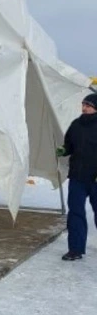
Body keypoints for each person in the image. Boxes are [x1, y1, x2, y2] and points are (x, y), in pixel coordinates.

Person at [57, 93, 97, 261]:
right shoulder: (76, 125)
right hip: (77, 178)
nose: (84, 107)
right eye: (83, 104)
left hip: (95, 179)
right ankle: (75, 249)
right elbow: (69, 145)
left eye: (88, 105)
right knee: (75, 213)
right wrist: (63, 150)